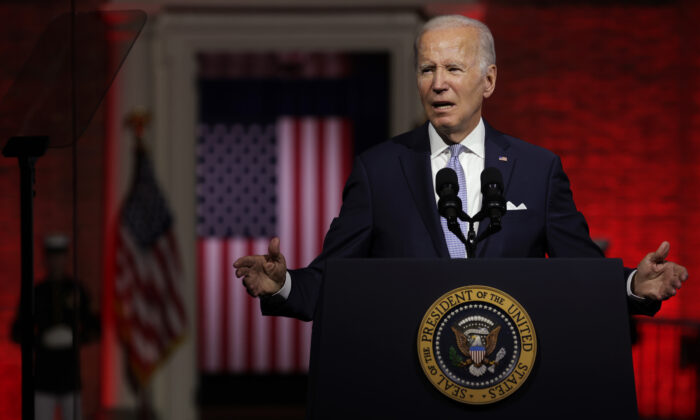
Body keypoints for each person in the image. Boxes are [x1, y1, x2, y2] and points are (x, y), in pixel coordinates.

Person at [233, 15, 688, 322]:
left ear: (488, 80)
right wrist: (283, 285)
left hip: (511, 378)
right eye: (427, 69)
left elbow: (580, 271)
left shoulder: (537, 168)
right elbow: (332, 283)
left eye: (453, 67)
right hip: (409, 381)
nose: (438, 83)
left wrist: (632, 284)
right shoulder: (379, 170)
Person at [11, 234, 100, 420]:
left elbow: (94, 327)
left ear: (66, 258)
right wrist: (41, 340)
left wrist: (76, 338)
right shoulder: (37, 292)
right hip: (43, 376)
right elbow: (17, 331)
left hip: (70, 376)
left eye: (60, 256)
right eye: (52, 257)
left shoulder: (77, 290)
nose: (56, 261)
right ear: (46, 259)